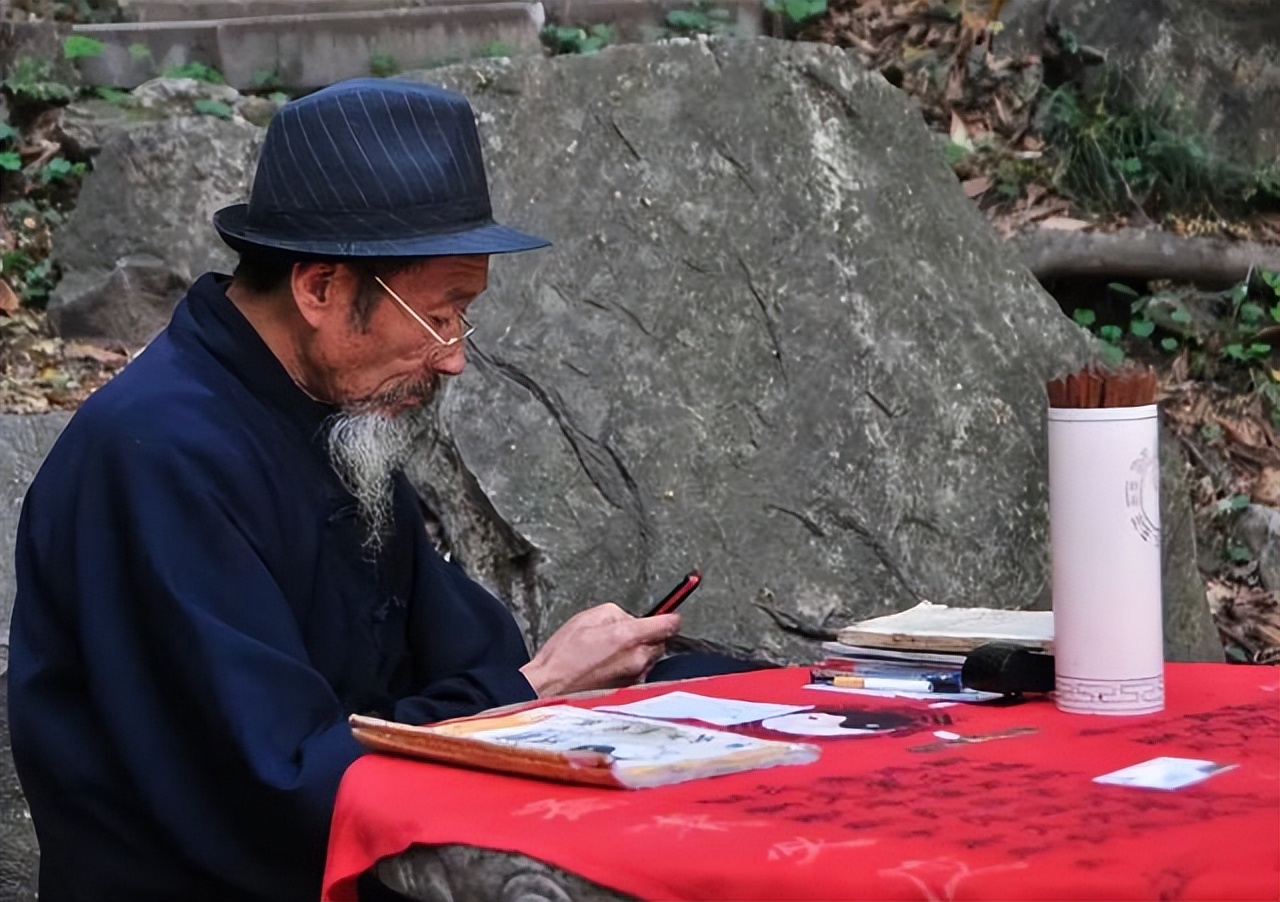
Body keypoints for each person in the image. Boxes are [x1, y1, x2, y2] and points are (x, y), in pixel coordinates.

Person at [6, 77, 736, 902]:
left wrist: (667, 681)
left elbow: (475, 660)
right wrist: (537, 688)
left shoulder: (330, 412)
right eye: (441, 314)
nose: (455, 354)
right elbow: (282, 785)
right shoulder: (155, 457)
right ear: (321, 289)